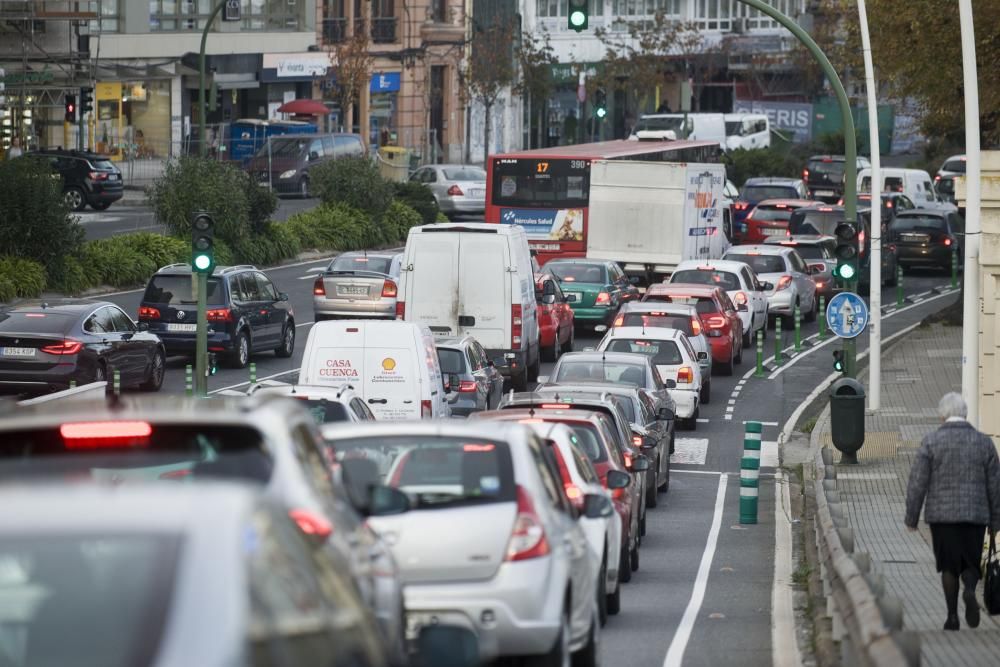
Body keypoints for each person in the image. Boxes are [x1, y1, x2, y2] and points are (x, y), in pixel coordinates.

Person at [904, 392, 1000, 631]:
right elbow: (995, 485)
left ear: (942, 415)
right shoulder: (984, 443)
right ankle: (969, 589)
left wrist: (912, 517)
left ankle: (952, 617)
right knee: (970, 562)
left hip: (942, 516)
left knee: (948, 566)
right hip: (975, 515)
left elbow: (918, 481)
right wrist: (996, 520)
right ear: (965, 414)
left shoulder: (931, 442)